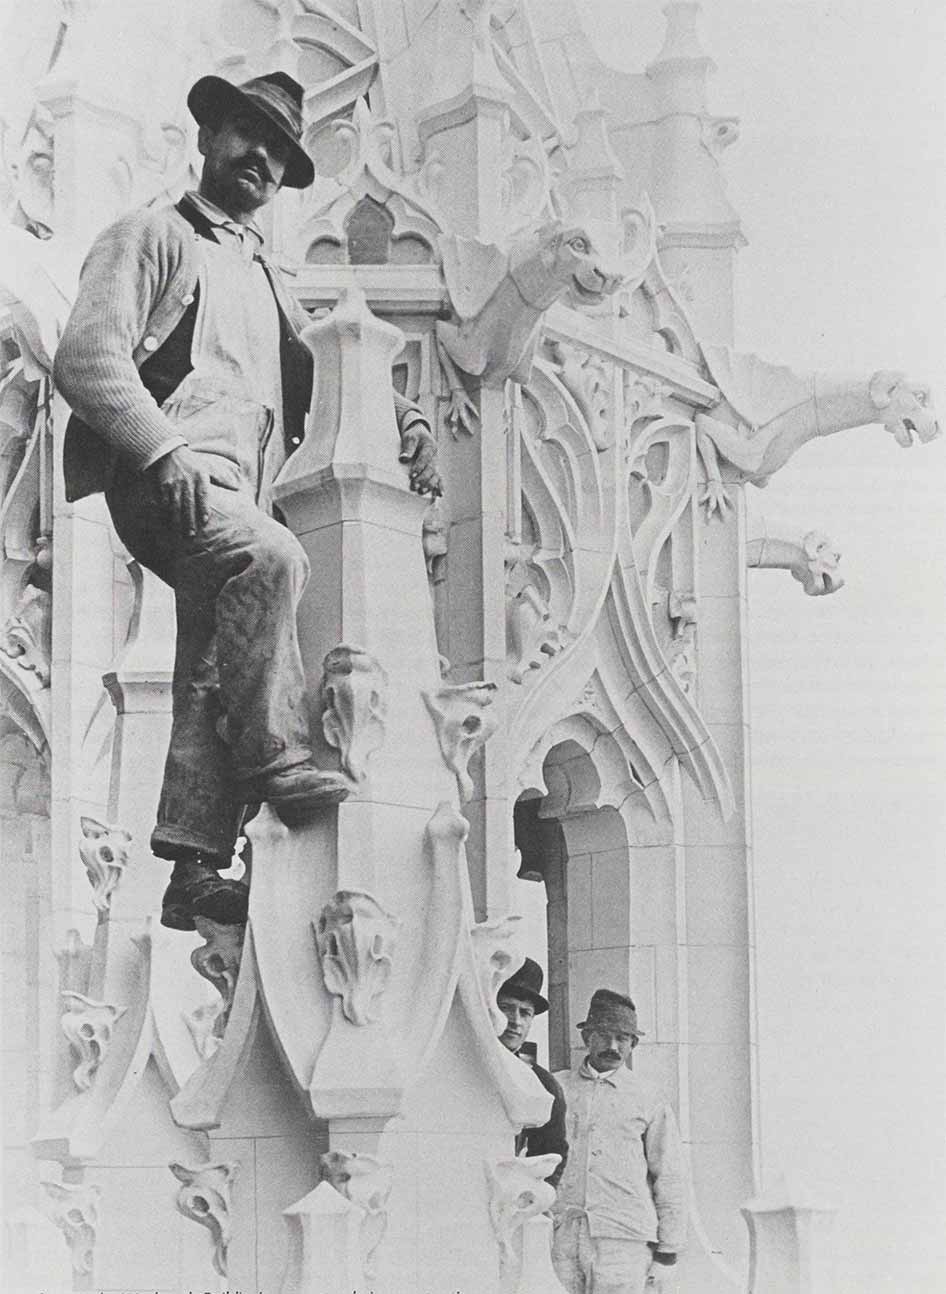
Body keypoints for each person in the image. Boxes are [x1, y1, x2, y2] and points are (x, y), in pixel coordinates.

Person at [54, 71, 440, 932]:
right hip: (165, 478)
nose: (260, 159)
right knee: (271, 558)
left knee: (212, 657)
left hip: (236, 486)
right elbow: (86, 358)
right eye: (247, 135)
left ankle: (193, 865)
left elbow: (320, 371)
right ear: (208, 138)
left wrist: (404, 418)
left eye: (279, 152)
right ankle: (273, 756)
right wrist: (161, 448)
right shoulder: (153, 235)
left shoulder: (263, 275)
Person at [551, 989, 686, 1294]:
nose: (613, 1046)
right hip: (563, 1235)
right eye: (603, 1035)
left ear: (633, 1044)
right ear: (587, 1037)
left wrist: (668, 1252)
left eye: (622, 1037)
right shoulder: (558, 1087)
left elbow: (670, 1175)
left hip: (624, 1242)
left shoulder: (649, 1097)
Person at [497, 957, 568, 1187]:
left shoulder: (542, 1084)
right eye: (506, 1008)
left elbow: (553, 1151)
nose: (515, 1021)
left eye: (525, 1012)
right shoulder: (462, 1067)